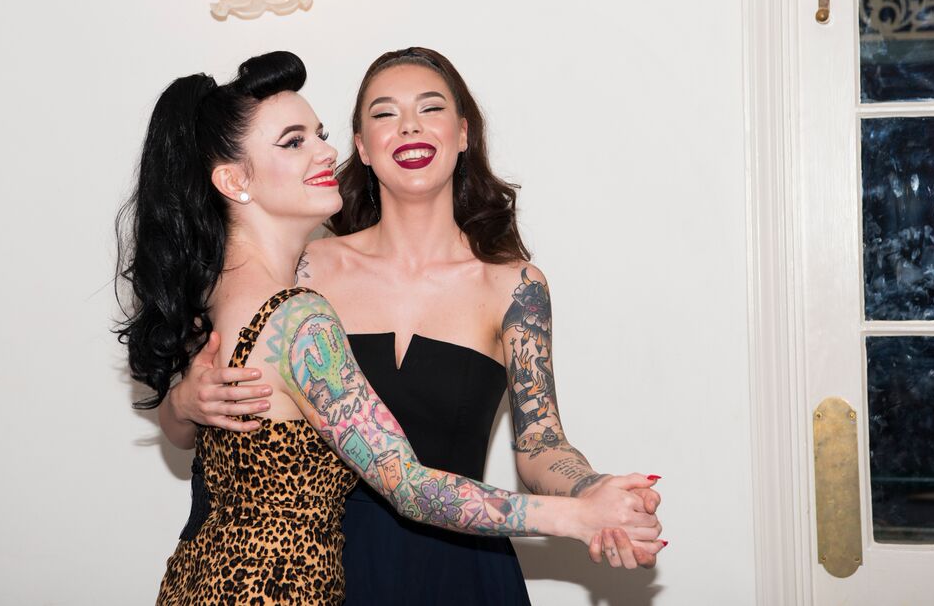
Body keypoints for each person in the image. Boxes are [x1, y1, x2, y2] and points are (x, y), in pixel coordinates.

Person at [119, 51, 663, 605]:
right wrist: (183, 402)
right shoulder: (298, 273)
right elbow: (207, 429)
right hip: (333, 566)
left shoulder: (515, 287)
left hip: (460, 565)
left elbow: (541, 442)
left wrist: (592, 492)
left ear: (463, 133)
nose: (409, 126)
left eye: (430, 108)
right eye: (385, 113)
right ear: (362, 145)